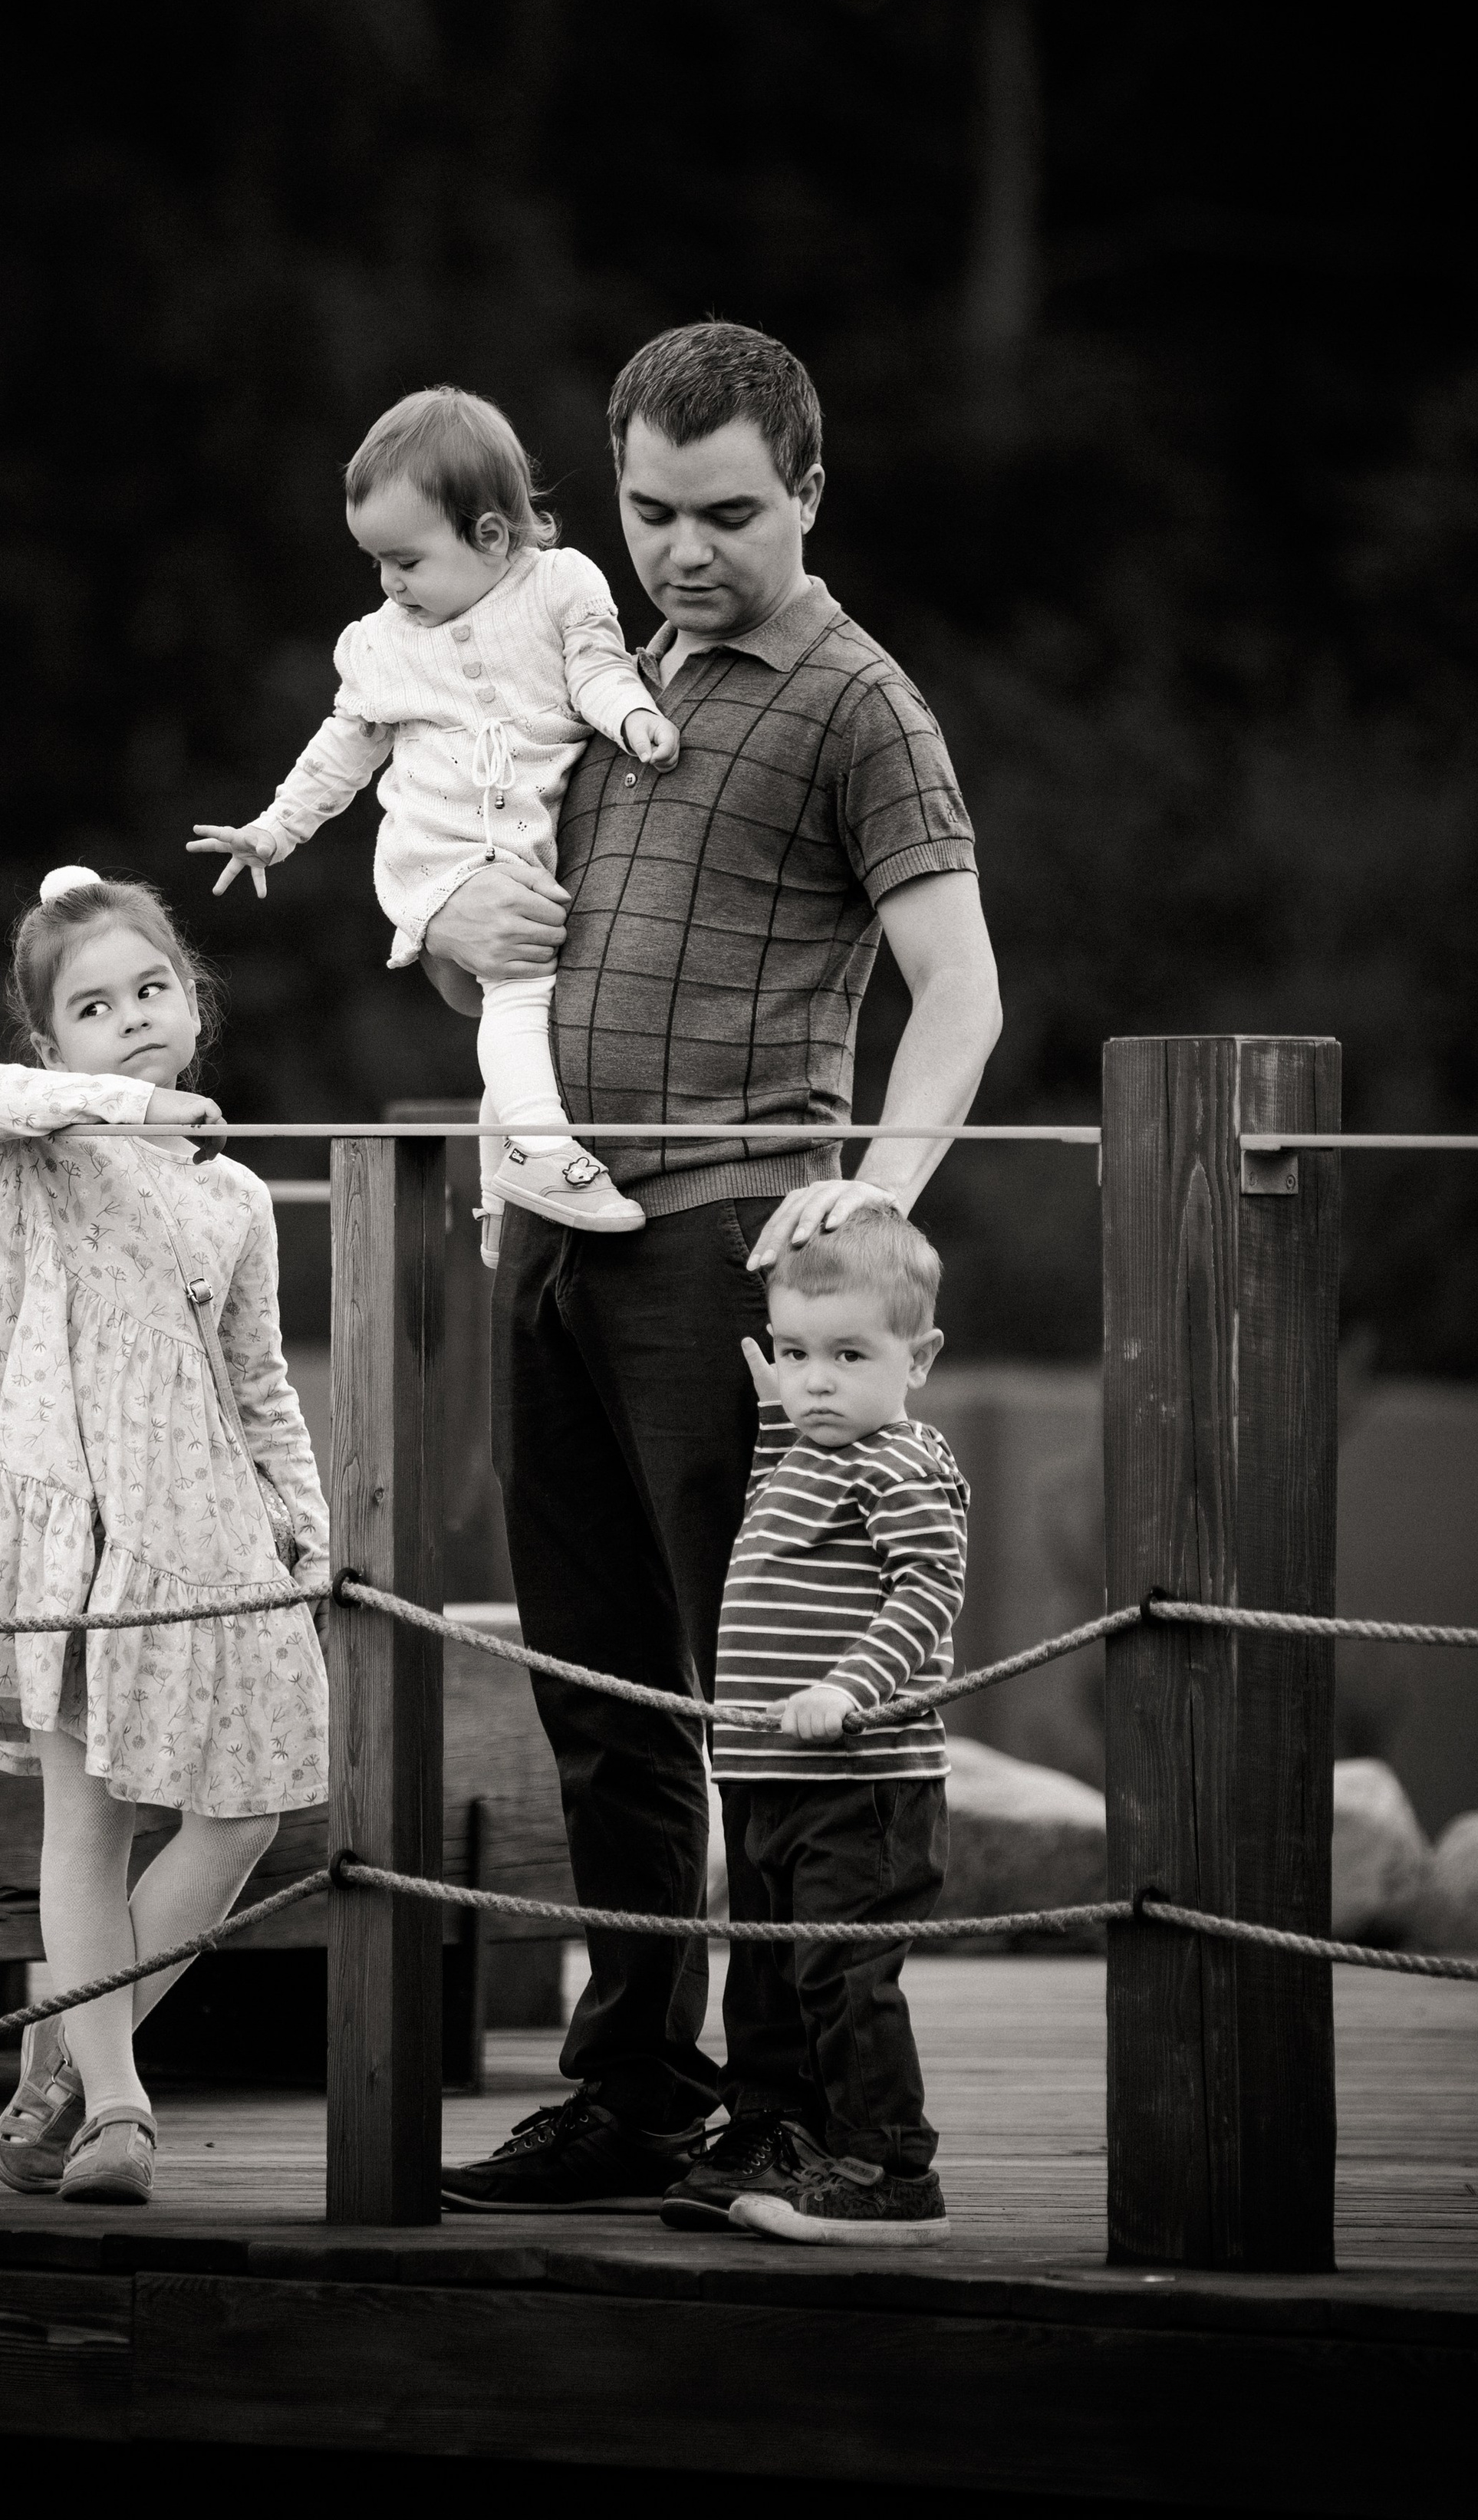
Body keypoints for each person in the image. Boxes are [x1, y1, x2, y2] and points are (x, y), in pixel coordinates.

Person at [429, 321, 1001, 2215]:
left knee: (755, 1697)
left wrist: (872, 1197)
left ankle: (791, 2113)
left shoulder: (859, 703)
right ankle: (633, 2091)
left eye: (729, 514)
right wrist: (454, 933)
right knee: (595, 1699)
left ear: (809, 493)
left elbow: (961, 992)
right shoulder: (587, 676)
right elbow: (498, 947)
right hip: (543, 1225)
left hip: (720, 1248)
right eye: (650, 509)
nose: (683, 550)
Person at [0, 865, 329, 2206]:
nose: (131, 1018)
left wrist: (303, 1527)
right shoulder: (51, 1143)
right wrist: (130, 1107)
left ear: (195, 1002)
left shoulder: (236, 1198)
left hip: (207, 1536)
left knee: (247, 1811)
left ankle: (62, 2045)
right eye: (93, 1006)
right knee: (93, 1814)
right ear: (50, 1041)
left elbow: (259, 1381)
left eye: (152, 990)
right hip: (77, 1526)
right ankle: (119, 2106)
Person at [188, 384, 680, 1250]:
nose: (389, 583)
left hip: (524, 841)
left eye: (406, 561)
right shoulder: (382, 641)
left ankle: (500, 1201)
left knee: (528, 1013)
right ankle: (544, 1154)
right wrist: (273, 830)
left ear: (489, 535)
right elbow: (342, 749)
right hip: (438, 850)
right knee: (520, 985)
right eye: (375, 562)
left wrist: (633, 714)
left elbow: (598, 668)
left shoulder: (558, 588)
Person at [715, 1207, 965, 2248]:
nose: (815, 1382)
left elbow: (928, 1590)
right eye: (795, 1354)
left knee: (844, 1977)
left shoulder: (899, 1461)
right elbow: (781, 1518)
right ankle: (808, 2147)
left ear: (920, 1359)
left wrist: (849, 1688)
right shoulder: (807, 1455)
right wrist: (773, 1413)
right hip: (773, 1775)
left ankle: (889, 2170)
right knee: (777, 1978)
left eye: (849, 1356)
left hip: (858, 1781)